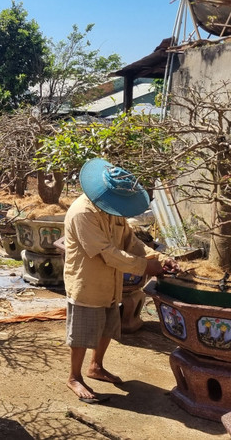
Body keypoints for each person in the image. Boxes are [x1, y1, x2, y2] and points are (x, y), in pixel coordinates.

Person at [63, 158, 178, 403]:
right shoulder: (83, 213)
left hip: (111, 282)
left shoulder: (111, 212)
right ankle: (74, 376)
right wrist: (146, 267)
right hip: (87, 282)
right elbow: (107, 252)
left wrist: (158, 257)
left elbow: (131, 242)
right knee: (83, 333)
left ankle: (96, 366)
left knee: (107, 325)